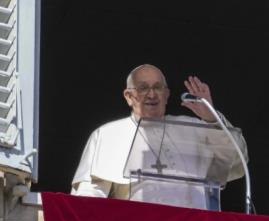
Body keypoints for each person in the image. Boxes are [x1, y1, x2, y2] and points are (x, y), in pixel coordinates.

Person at [71, 64, 248, 210]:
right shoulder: (108, 134)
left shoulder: (194, 128)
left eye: (157, 87)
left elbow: (235, 159)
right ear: (129, 96)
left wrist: (211, 117)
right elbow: (90, 193)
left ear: (167, 94)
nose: (152, 94)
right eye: (143, 88)